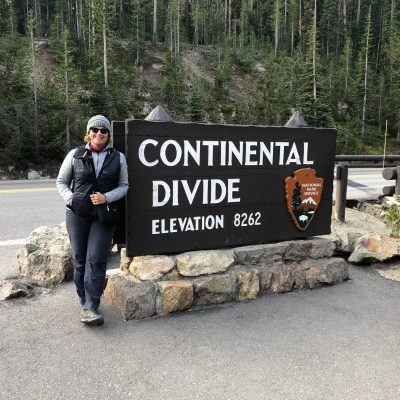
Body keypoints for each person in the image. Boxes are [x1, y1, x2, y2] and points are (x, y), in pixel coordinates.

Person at [56, 115, 129, 326]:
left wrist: (106, 197)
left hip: (104, 215)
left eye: (103, 131)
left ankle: (91, 306)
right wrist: (73, 199)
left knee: (96, 259)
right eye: (95, 130)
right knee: (79, 260)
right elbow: (61, 182)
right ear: (89, 132)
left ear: (108, 135)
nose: (99, 134)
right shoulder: (75, 154)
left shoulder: (118, 157)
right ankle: (84, 299)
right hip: (77, 214)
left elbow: (124, 186)